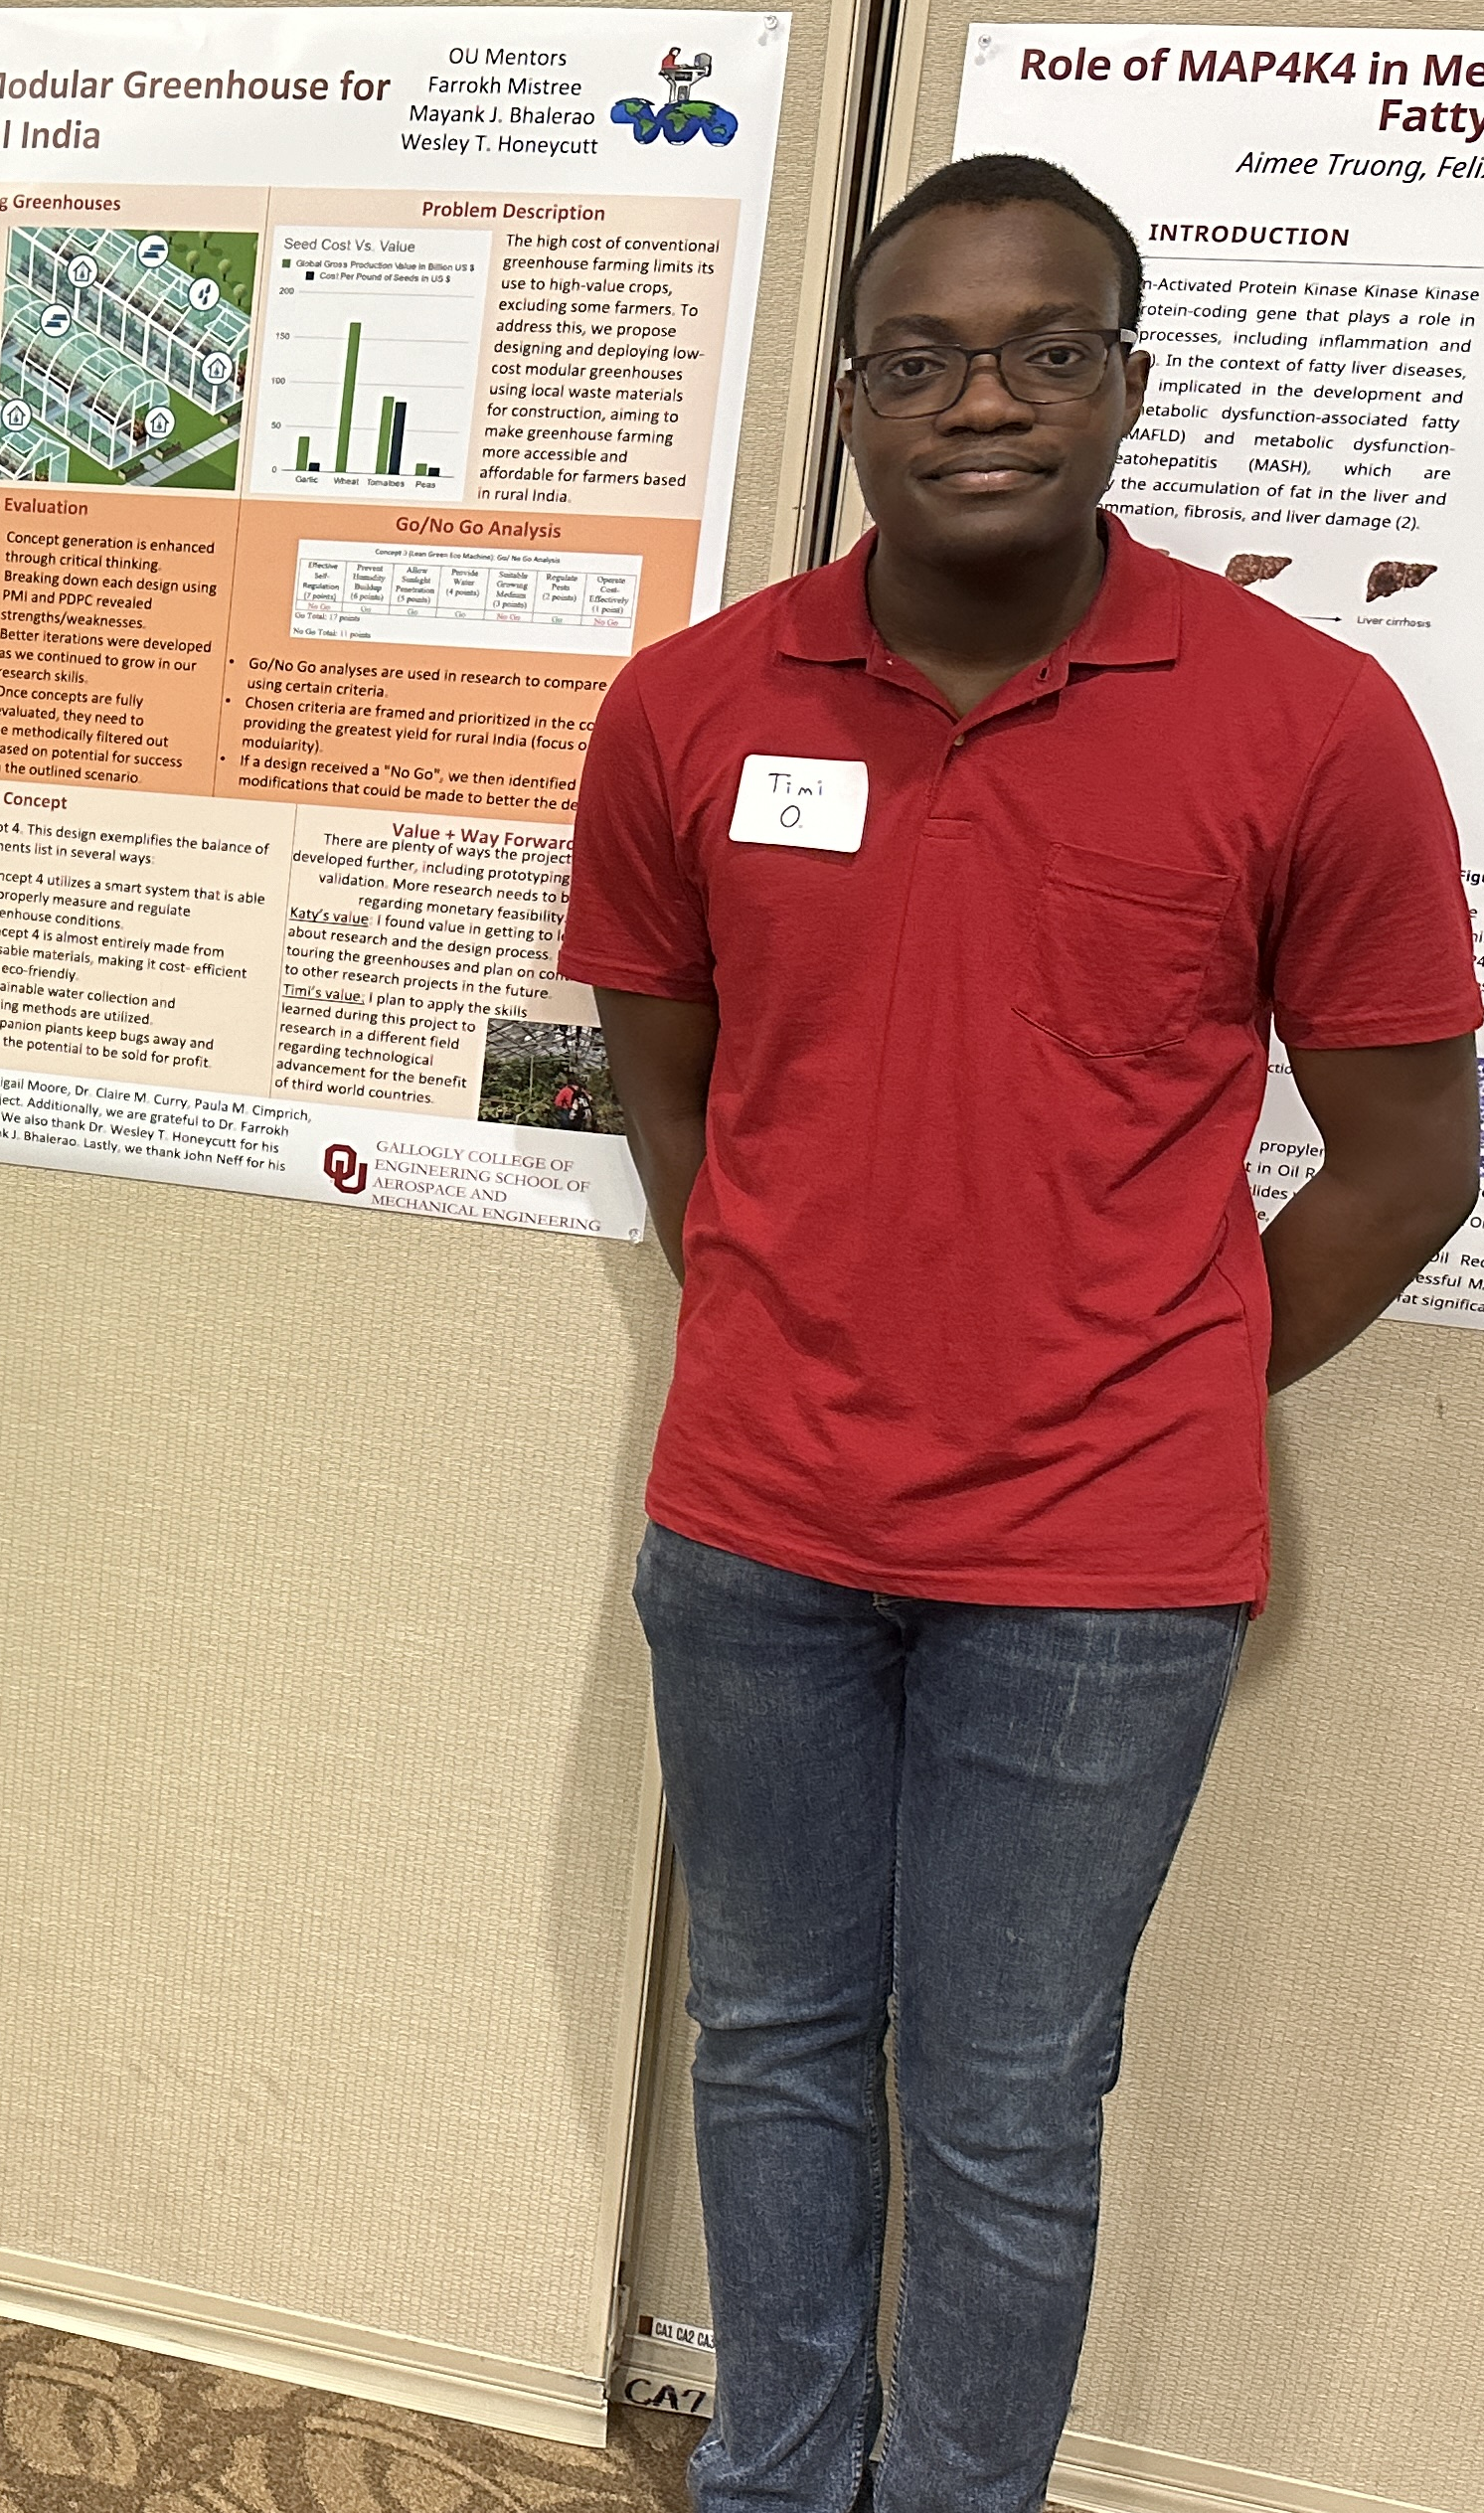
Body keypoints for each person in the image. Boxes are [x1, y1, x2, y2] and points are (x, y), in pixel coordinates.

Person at [561, 157, 1479, 2513]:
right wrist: (784, 1313)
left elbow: (1405, 1159)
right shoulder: (687, 708)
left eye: (1042, 350)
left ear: (1124, 383)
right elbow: (666, 1081)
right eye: (921, 359)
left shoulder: (1307, 721)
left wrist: (1136, 1373)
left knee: (1001, 2103)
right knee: (766, 2041)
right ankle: (776, 2481)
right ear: (849, 400)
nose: (981, 402)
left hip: (1097, 1575)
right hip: (756, 1527)